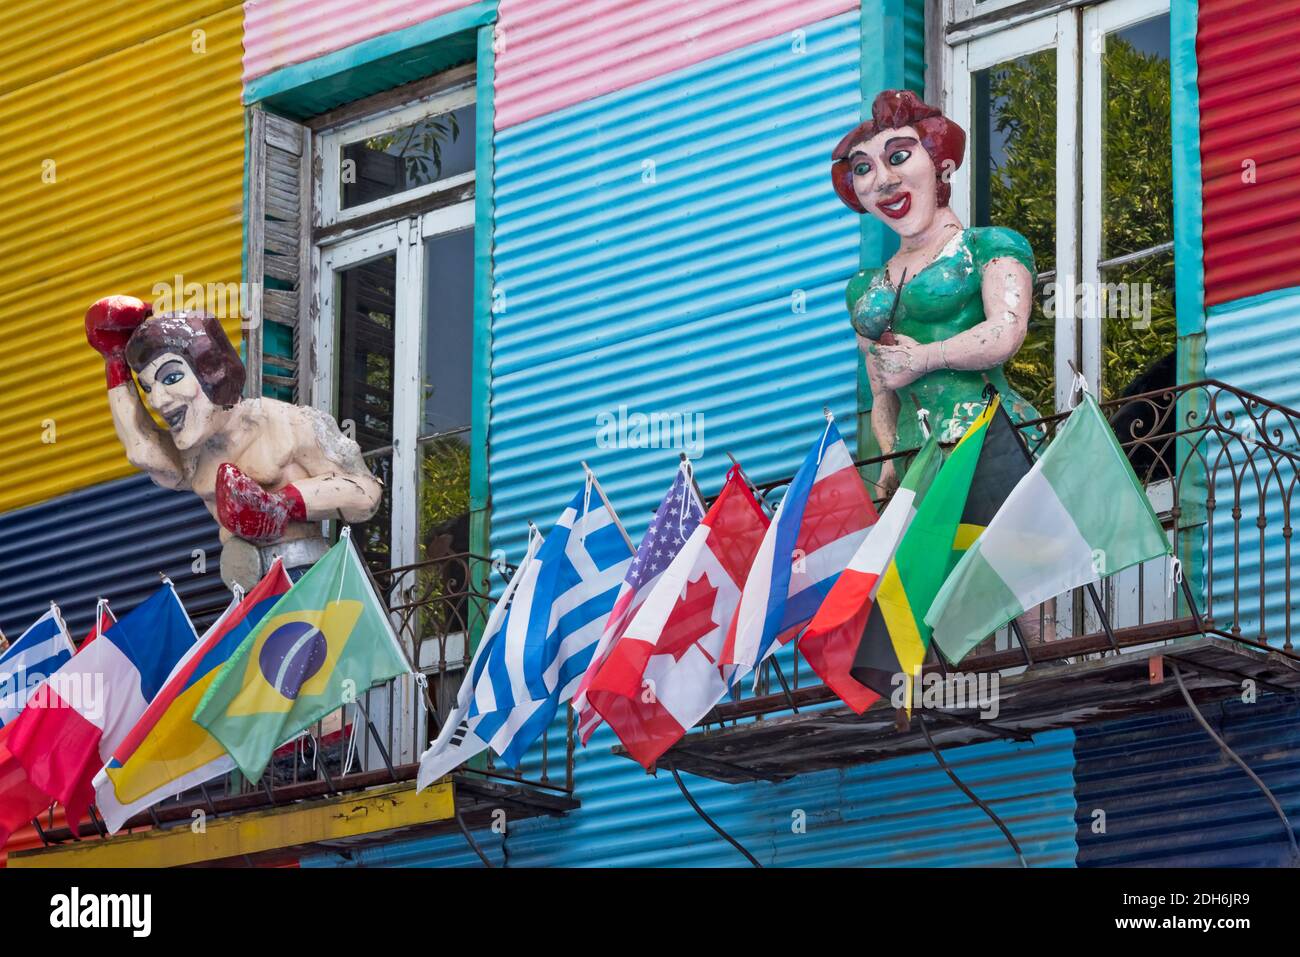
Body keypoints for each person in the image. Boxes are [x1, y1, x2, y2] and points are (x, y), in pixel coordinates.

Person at [84, 295, 383, 589]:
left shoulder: (290, 423)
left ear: (212, 370)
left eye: (172, 378)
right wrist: (114, 361)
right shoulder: (193, 454)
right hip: (248, 591)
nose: (158, 400)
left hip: (308, 580)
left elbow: (366, 493)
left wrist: (283, 504)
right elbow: (142, 449)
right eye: (148, 388)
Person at [831, 89, 1041, 491]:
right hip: (917, 461)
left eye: (898, 157)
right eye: (863, 168)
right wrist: (890, 458)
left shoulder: (986, 246)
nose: (883, 180)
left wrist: (925, 357)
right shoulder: (864, 287)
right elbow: (882, 388)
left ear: (941, 165)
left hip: (988, 438)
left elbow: (1006, 330)